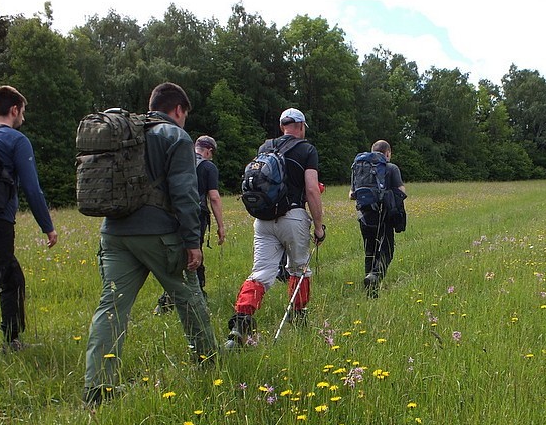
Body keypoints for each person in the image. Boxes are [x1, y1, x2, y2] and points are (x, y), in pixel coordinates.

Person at [83, 82, 218, 406]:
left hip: (114, 233)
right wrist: (192, 241)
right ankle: (209, 364)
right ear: (178, 109)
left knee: (111, 308)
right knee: (188, 298)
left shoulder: (124, 133)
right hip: (159, 235)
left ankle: (97, 389)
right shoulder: (175, 137)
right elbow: (185, 193)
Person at [225, 108, 325, 348]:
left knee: (260, 273)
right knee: (299, 269)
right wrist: (318, 227)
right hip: (293, 217)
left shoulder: (265, 148)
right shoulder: (307, 150)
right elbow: (312, 189)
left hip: (263, 219)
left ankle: (241, 323)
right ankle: (297, 316)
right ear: (300, 126)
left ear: (282, 127)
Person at [0, 85, 58, 351]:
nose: (23, 116)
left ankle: (12, 340)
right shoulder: (16, 140)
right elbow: (32, 189)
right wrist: (48, 227)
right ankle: (12, 341)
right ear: (14, 110)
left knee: (13, 279)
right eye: (22, 111)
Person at [155, 134, 226, 313]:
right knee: (195, 253)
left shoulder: (179, 161)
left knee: (176, 253)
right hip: (196, 215)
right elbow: (214, 197)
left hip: (171, 214)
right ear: (209, 151)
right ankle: (197, 293)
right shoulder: (208, 167)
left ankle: (167, 297)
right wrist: (221, 226)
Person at [349, 140, 406, 298]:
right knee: (387, 251)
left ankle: (370, 293)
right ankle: (375, 276)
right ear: (387, 153)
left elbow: (351, 194)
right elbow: (402, 191)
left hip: (364, 216)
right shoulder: (391, 168)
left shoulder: (359, 167)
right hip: (384, 215)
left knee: (370, 251)